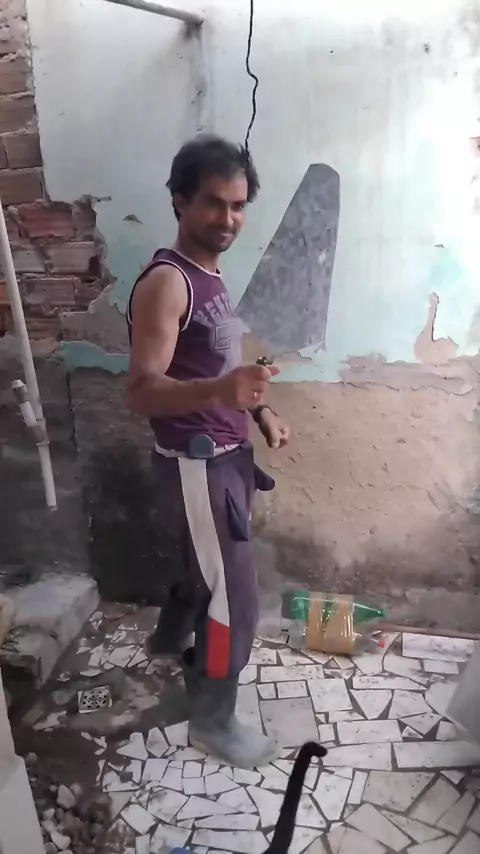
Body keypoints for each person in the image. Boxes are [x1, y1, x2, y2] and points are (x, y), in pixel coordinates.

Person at [125, 135, 290, 768]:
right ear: (179, 200)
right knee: (233, 600)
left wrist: (259, 409)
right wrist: (223, 392)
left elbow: (219, 366)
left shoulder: (211, 276)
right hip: (195, 465)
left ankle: (169, 644)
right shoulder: (168, 283)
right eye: (214, 203)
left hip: (226, 457)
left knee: (204, 574)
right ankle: (213, 722)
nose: (228, 219)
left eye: (238, 205)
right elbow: (140, 391)